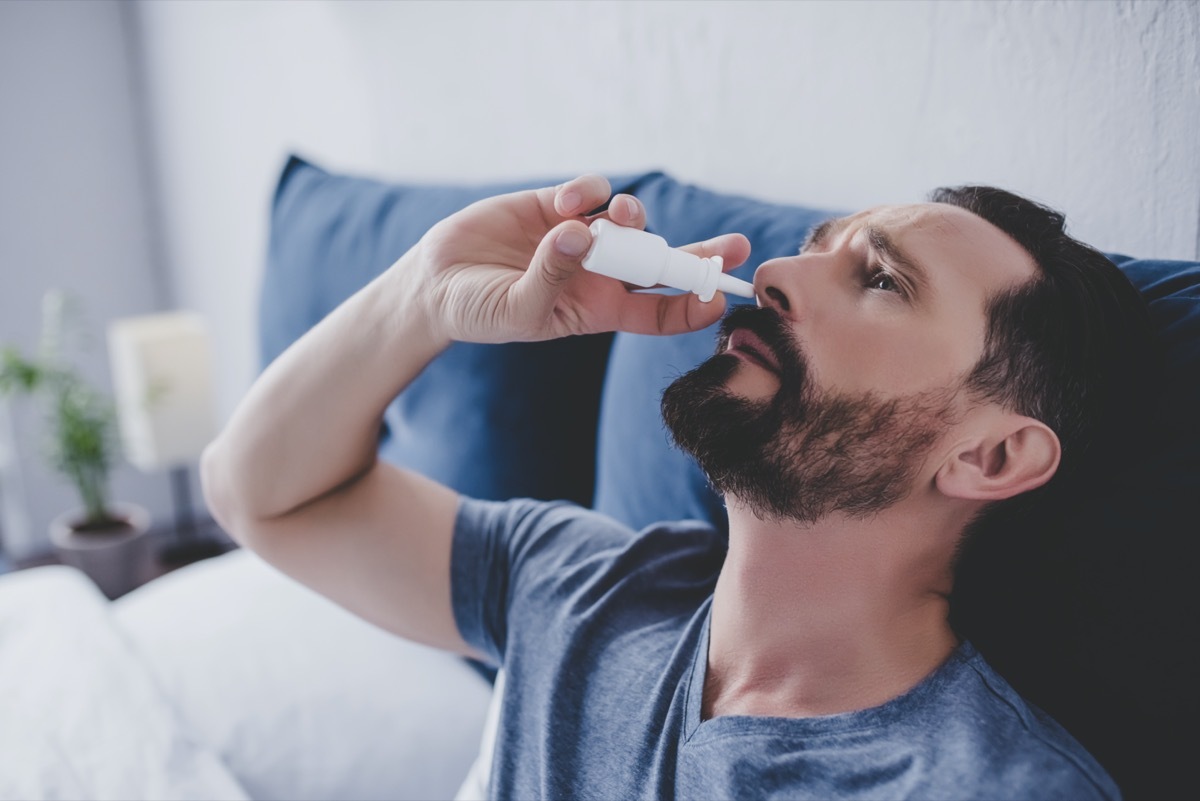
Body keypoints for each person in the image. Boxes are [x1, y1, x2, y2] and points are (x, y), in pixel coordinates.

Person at [202, 174, 1151, 800]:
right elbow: (260, 495)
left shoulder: (991, 787)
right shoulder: (583, 590)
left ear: (990, 457)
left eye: (882, 281)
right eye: (818, 245)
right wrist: (422, 292)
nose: (777, 272)